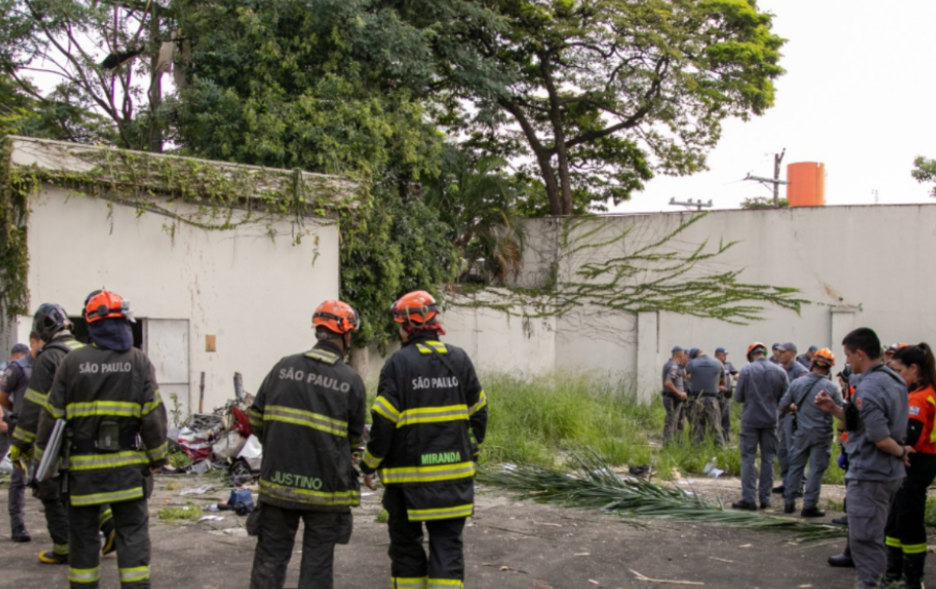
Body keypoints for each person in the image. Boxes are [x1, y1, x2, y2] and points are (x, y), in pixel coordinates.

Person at [35, 290, 168, 589]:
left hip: (82, 476)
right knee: (133, 539)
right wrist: (158, 457)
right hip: (128, 474)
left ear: (92, 324)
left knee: (82, 544)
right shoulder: (138, 361)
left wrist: (42, 465)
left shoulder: (72, 362)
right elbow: (153, 416)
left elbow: (51, 416)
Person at [361, 290, 488, 589]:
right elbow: (480, 414)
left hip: (408, 485)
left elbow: (383, 423)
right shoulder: (459, 360)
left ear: (407, 325)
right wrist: (471, 450)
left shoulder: (398, 364)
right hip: (454, 481)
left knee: (406, 550)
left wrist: (369, 464)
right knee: (448, 548)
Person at [248, 300, 367, 589]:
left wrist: (280, 445)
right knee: (317, 566)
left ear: (318, 332)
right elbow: (353, 439)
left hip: (278, 484)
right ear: (346, 335)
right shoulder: (350, 380)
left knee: (270, 559)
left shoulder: (282, 368)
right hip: (325, 492)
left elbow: (255, 419)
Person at [9, 303, 115, 565]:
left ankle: (63, 546)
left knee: (47, 485)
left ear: (42, 330)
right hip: (95, 434)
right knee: (87, 483)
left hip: (61, 436)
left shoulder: (49, 357)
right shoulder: (87, 350)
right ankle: (112, 528)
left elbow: (34, 406)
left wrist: (20, 442)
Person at [816, 327, 909, 589]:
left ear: (860, 353)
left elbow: (879, 437)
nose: (846, 361)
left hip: (871, 474)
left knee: (866, 541)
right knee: (874, 536)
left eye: (847, 355)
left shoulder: (869, 387)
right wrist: (834, 409)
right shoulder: (895, 379)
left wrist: (901, 452)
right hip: (888, 474)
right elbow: (864, 424)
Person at [882, 343, 936, 589]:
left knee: (908, 518)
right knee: (895, 518)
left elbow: (911, 436)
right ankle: (893, 573)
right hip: (911, 460)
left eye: (898, 370)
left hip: (918, 461)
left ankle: (912, 579)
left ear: (914, 368)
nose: (895, 376)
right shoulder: (916, 392)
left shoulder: (920, 397)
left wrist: (890, 445)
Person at [779, 348, 843, 517]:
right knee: (816, 469)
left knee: (796, 466)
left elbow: (783, 405)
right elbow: (841, 411)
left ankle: (789, 502)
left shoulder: (797, 383)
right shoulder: (831, 387)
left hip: (801, 433)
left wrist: (796, 410)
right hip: (822, 434)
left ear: (813, 363)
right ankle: (809, 506)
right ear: (829, 368)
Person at [731, 342, 789, 511]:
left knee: (748, 458)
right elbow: (786, 398)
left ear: (751, 355)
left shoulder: (747, 371)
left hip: (750, 420)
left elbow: (738, 397)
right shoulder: (780, 371)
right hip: (771, 420)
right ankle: (765, 498)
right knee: (768, 459)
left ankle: (749, 499)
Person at [0, 338, 39, 542]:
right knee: (18, 477)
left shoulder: (48, 365)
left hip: (45, 431)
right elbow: (2, 396)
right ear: (33, 341)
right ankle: (18, 525)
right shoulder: (17, 368)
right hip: (22, 433)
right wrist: (15, 414)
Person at [773, 342, 809, 496]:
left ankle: (798, 484)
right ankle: (787, 482)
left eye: (783, 352)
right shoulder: (780, 370)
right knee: (782, 451)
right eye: (778, 352)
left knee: (794, 450)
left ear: (792, 353)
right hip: (781, 415)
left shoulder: (801, 372)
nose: (779, 354)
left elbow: (804, 396)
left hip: (793, 416)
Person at [685, 348, 726, 445]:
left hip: (697, 399)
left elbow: (684, 377)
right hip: (713, 399)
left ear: (693, 356)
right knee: (716, 427)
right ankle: (720, 451)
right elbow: (724, 382)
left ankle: (697, 450)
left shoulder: (691, 363)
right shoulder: (718, 363)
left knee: (697, 428)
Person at [662, 346, 688, 444]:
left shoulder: (669, 364)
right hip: (672, 398)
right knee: (671, 421)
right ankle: (668, 445)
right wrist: (679, 393)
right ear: (681, 355)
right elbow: (668, 383)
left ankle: (672, 444)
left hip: (673, 398)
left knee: (673, 421)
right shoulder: (673, 366)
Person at [714, 347, 738, 444]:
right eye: (723, 355)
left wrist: (737, 375)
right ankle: (718, 442)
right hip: (716, 396)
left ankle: (726, 440)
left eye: (725, 355)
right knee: (717, 418)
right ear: (717, 355)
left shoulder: (728, 365)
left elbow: (736, 373)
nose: (725, 357)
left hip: (726, 396)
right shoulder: (713, 365)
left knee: (726, 418)